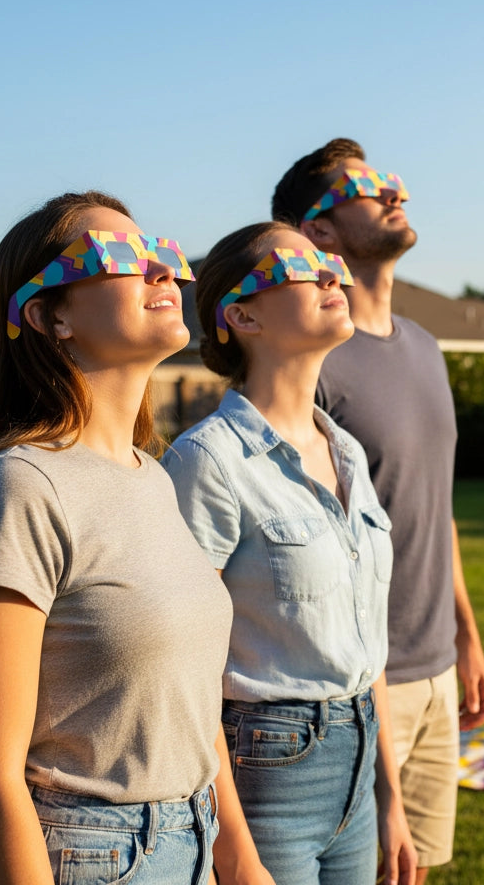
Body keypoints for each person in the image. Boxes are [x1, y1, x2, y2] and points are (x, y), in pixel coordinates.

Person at [0, 191, 270, 885]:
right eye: (121, 256)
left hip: (192, 838)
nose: (160, 271)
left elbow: (187, 700)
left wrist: (236, 862)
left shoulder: (154, 477)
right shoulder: (20, 486)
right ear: (47, 315)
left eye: (161, 254)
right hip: (87, 855)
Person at [162, 221, 416, 885]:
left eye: (330, 262)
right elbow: (183, 675)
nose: (333, 274)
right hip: (268, 779)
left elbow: (367, 645)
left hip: (360, 769)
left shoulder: (349, 452)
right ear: (241, 314)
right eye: (303, 268)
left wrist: (391, 800)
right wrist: (236, 856)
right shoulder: (207, 462)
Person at [271, 139, 484, 882]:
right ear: (319, 233)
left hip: (435, 667)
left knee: (416, 869)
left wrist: (466, 637)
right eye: (368, 189)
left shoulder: (427, 348)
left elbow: (435, 505)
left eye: (393, 182)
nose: (395, 194)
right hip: (354, 681)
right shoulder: (309, 365)